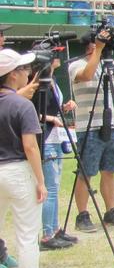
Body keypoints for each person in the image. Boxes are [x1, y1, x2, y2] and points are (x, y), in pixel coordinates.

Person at [0, 49, 62, 268]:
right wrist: (40, 180)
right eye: (24, 70)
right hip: (17, 171)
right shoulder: (22, 105)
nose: (28, 74)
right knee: (27, 234)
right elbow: (30, 146)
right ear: (13, 75)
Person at [69, 30, 114, 233]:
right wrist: (98, 49)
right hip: (88, 127)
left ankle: (110, 211)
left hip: (111, 125)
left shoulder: (109, 65)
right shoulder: (76, 66)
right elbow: (87, 75)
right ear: (91, 45)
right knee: (86, 173)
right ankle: (82, 215)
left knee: (109, 171)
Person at [34, 58, 79, 249]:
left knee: (55, 186)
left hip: (55, 138)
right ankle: (47, 235)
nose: (60, 55)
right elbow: (33, 112)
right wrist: (52, 117)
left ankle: (54, 228)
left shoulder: (51, 80)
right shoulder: (37, 82)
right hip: (46, 139)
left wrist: (64, 107)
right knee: (50, 189)